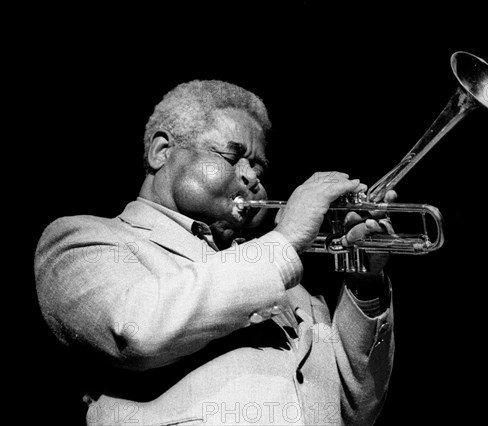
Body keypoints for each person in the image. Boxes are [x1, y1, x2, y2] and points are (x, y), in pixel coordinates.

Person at [34, 80, 397, 425]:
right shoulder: (81, 240)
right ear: (163, 152)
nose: (252, 178)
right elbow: (135, 330)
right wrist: (284, 240)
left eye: (258, 167)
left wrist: (365, 286)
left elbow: (356, 411)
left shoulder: (292, 287)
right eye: (232, 156)